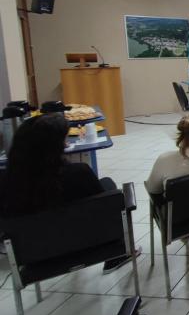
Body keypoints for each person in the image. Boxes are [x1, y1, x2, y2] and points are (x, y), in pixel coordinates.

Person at [0, 114, 138, 273]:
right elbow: (103, 211)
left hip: (33, 258)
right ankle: (117, 255)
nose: (66, 144)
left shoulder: (7, 183)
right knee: (108, 187)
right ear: (54, 148)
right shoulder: (78, 174)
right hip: (91, 246)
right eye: (64, 141)